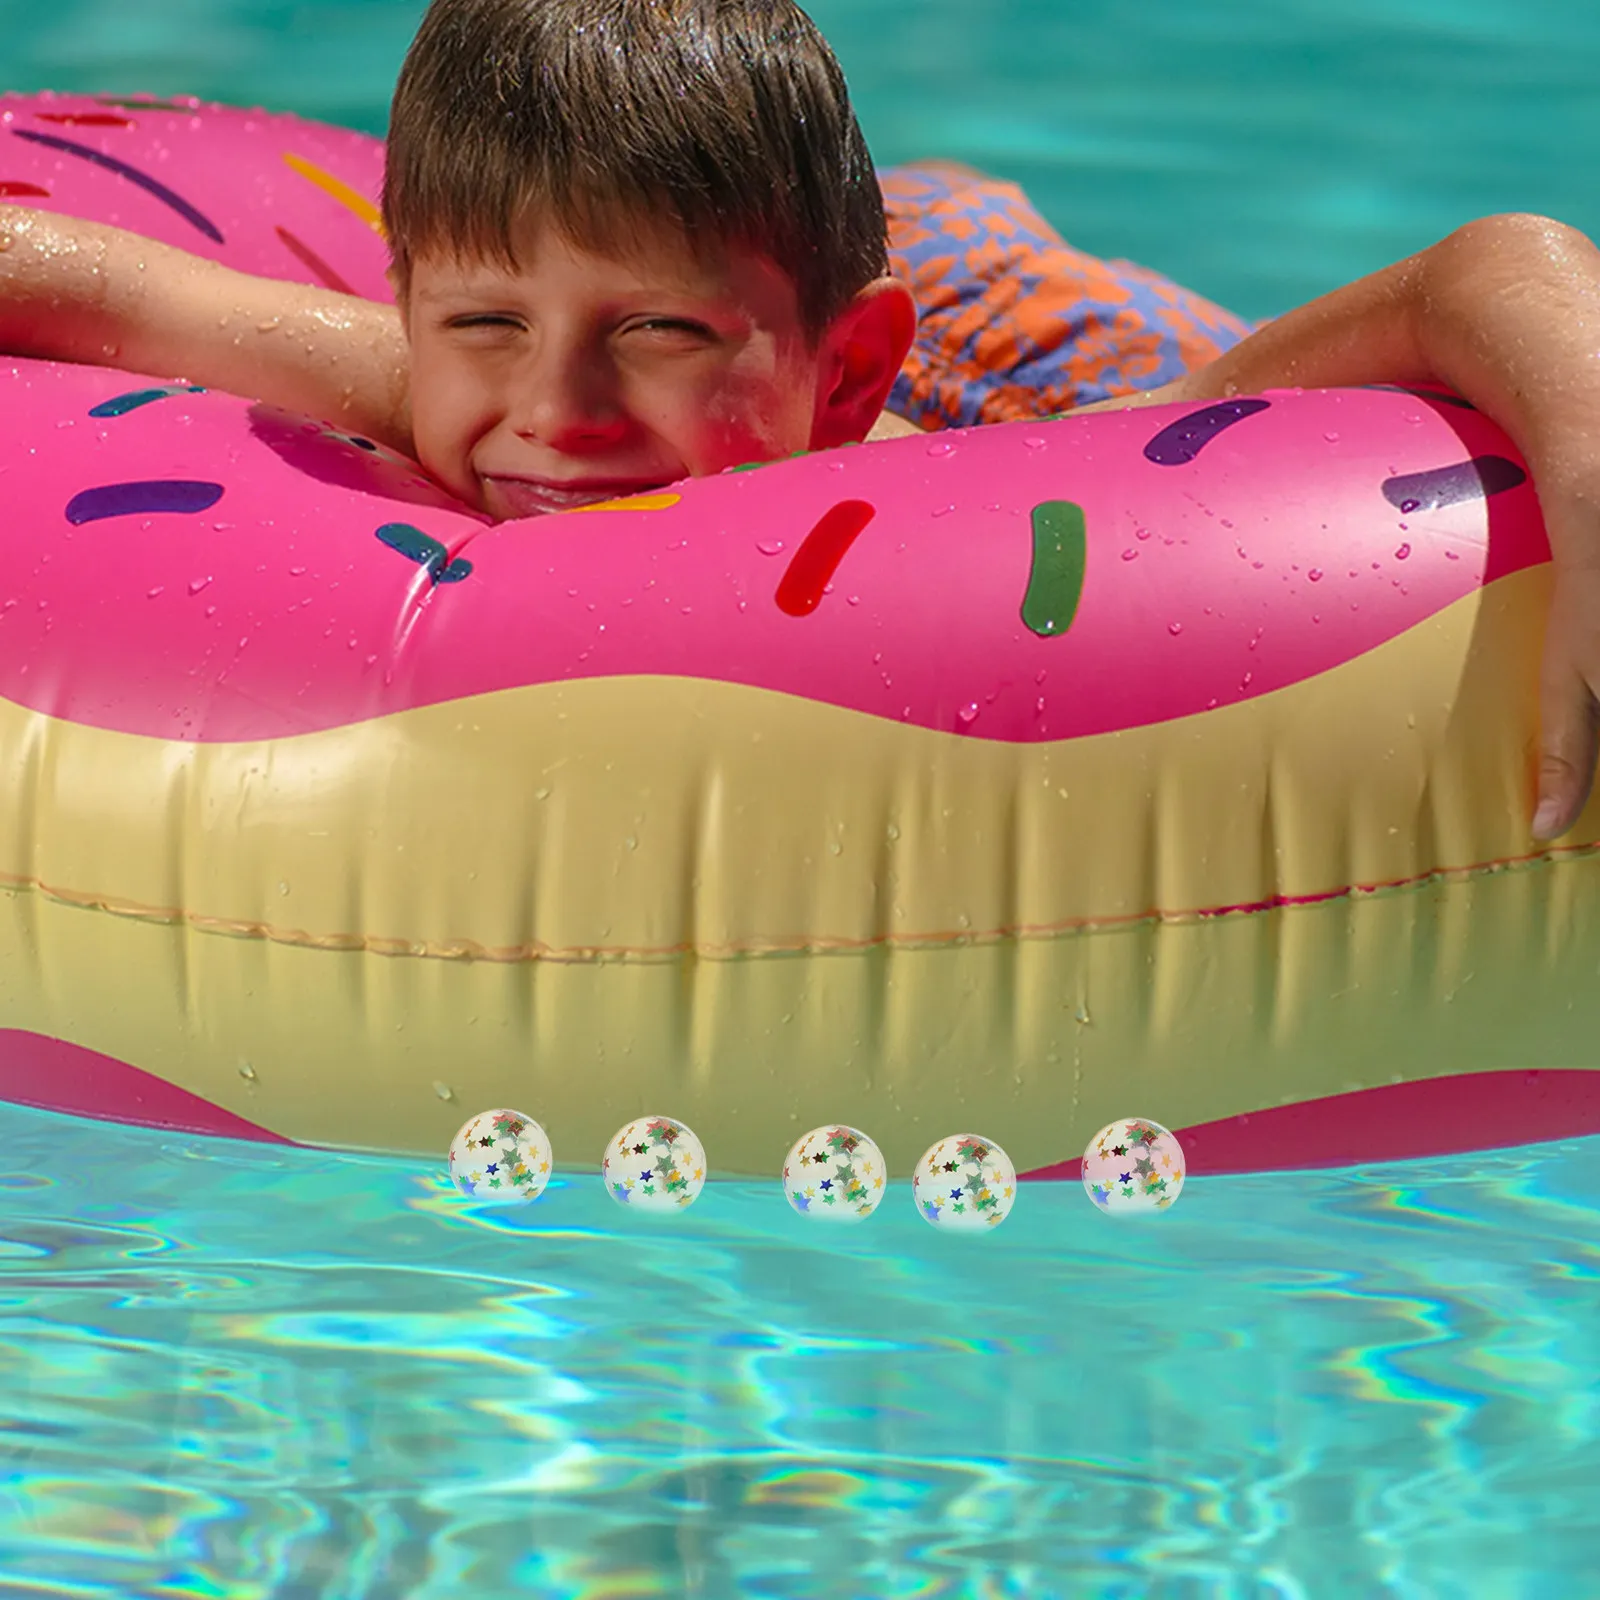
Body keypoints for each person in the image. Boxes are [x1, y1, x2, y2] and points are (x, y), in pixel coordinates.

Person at [2, 0, 1600, 839]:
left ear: (838, 381)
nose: (554, 416)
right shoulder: (442, 393)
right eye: (483, 322)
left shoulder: (991, 488)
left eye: (652, 337)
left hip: (1001, 342)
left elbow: (1483, 275)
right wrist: (606, 334)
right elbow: (111, 285)